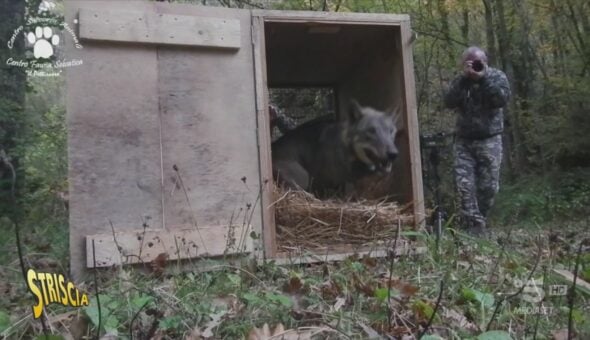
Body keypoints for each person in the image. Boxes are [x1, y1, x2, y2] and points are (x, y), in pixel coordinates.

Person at [444, 46, 511, 236]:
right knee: (464, 187)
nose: (475, 65)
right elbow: (448, 102)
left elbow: (502, 99)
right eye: (470, 61)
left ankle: (479, 220)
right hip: (464, 142)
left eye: (478, 61)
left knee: (488, 187)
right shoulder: (460, 82)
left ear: (486, 62)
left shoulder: (497, 77)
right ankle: (472, 229)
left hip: (489, 140)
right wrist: (464, 79)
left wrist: (483, 78)